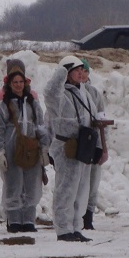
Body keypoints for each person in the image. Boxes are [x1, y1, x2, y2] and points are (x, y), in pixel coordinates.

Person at [44, 56, 101, 242]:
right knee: (65, 189)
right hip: (66, 146)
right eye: (75, 69)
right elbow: (50, 92)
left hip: (84, 145)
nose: (79, 72)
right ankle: (63, 229)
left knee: (81, 189)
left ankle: (76, 227)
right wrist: (61, 68)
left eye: (81, 69)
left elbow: (93, 119)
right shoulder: (60, 95)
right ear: (66, 73)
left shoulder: (84, 93)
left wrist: (98, 146)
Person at [0, 59, 49, 233]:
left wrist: (44, 149)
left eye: (21, 82)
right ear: (9, 84)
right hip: (11, 150)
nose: (18, 85)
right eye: (15, 82)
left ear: (25, 83)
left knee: (31, 185)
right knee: (13, 185)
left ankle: (29, 220)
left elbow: (41, 128)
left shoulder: (33, 104)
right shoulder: (2, 106)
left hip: (31, 150)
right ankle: (14, 220)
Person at [81, 59, 109, 231]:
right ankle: (76, 216)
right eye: (79, 70)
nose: (82, 74)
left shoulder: (94, 94)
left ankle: (88, 217)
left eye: (85, 71)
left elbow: (102, 121)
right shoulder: (66, 93)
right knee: (78, 183)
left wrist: (103, 147)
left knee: (92, 182)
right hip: (77, 143)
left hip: (93, 142)